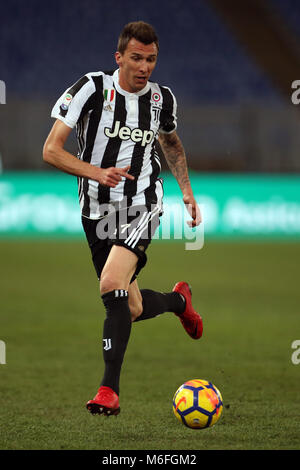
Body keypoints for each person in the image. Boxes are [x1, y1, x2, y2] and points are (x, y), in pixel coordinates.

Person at [43, 21, 203, 417]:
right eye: (136, 57)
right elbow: (50, 150)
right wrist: (96, 173)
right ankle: (179, 301)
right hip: (95, 208)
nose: (144, 66)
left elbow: (170, 143)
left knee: (111, 284)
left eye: (151, 59)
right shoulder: (91, 89)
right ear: (119, 58)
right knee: (127, 306)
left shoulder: (162, 99)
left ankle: (108, 391)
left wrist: (185, 190)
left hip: (142, 202)